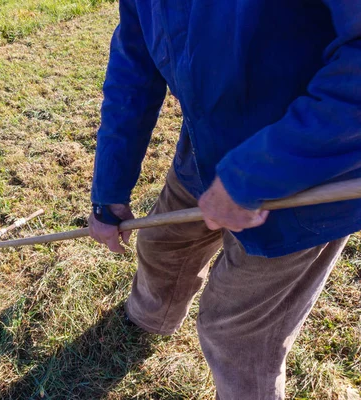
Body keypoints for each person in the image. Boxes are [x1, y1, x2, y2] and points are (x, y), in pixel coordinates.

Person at [87, 0, 361, 398]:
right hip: (204, 151)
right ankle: (149, 318)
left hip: (307, 180)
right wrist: (109, 190)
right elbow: (133, 71)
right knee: (163, 246)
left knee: (236, 332)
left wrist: (256, 174)